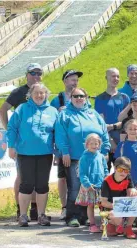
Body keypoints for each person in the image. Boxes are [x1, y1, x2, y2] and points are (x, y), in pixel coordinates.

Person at [55, 87, 111, 227]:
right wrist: (65, 152)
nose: (79, 98)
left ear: (86, 97)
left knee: (91, 186)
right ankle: (72, 216)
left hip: (95, 157)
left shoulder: (94, 114)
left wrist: (105, 151)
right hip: (74, 157)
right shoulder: (65, 114)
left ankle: (85, 216)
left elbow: (104, 133)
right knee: (75, 187)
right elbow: (60, 134)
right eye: (75, 96)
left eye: (81, 96)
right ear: (71, 98)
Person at [7, 83, 58, 227]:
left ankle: (42, 215)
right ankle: (23, 215)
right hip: (25, 153)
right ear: (30, 94)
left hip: (45, 153)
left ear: (46, 95)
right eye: (36, 93)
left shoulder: (53, 111)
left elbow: (58, 133)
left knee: (42, 185)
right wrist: (11, 146)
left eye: (42, 93)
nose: (39, 95)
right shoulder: (22, 109)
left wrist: (58, 152)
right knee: (26, 185)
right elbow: (12, 128)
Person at [0, 63, 42, 221]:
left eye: (39, 73)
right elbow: (2, 109)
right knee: (23, 176)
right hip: (22, 143)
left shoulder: (41, 92)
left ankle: (35, 209)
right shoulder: (19, 92)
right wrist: (10, 131)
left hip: (38, 143)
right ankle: (20, 209)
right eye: (33, 73)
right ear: (27, 75)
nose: (36, 76)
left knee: (38, 177)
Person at [51, 69, 82, 221]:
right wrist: (58, 112)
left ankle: (82, 209)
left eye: (76, 80)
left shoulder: (82, 99)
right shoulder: (57, 100)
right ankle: (64, 207)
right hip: (63, 148)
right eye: (71, 79)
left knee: (79, 180)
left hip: (79, 148)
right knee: (63, 178)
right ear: (65, 81)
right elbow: (50, 123)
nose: (74, 82)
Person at [95, 68, 130, 172]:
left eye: (118, 76)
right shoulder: (100, 98)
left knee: (122, 172)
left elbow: (126, 122)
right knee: (104, 172)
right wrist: (110, 140)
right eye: (113, 76)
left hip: (122, 140)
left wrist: (113, 126)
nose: (116, 78)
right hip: (106, 141)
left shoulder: (124, 97)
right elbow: (101, 124)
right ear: (106, 78)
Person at [75, 133, 109, 233]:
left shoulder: (101, 156)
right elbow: (82, 173)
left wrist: (106, 180)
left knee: (103, 205)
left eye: (96, 143)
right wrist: (87, 184)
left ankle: (104, 224)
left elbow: (105, 169)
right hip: (90, 186)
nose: (94, 146)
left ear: (99, 144)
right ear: (87, 145)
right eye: (92, 144)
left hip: (100, 185)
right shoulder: (84, 158)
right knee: (90, 205)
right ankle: (92, 224)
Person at [100, 157, 137, 238]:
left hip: (122, 206)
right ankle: (111, 224)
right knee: (116, 218)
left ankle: (128, 227)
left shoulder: (128, 177)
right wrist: (118, 206)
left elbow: (130, 190)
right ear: (115, 168)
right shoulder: (106, 182)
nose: (123, 173)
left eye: (126, 170)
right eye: (120, 170)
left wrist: (133, 190)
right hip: (110, 207)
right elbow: (103, 203)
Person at [114, 119, 137, 186]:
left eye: (135, 129)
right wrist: (116, 177)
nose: (132, 131)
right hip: (123, 179)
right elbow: (116, 163)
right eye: (130, 129)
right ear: (126, 130)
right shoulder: (121, 145)